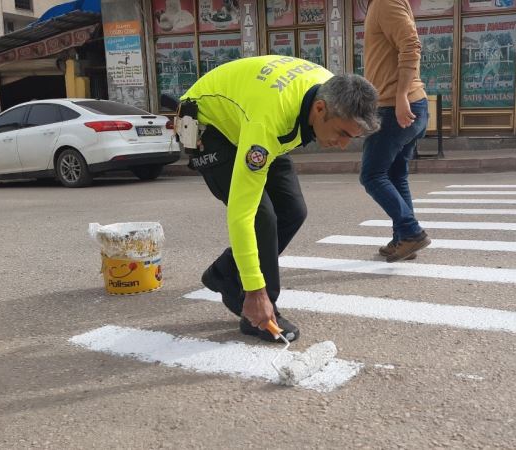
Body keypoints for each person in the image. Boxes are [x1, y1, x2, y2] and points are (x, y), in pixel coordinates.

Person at [179, 55, 379, 342]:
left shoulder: (327, 90)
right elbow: (241, 214)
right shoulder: (267, 124)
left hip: (250, 115)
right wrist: (256, 290)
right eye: (341, 133)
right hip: (209, 125)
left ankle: (223, 274)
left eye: (353, 138)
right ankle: (259, 312)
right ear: (320, 108)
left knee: (293, 210)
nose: (344, 144)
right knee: (262, 217)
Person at [360, 0, 431, 262]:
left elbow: (411, 45)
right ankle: (403, 239)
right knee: (396, 174)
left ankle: (411, 232)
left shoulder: (385, 2)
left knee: (372, 175)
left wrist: (401, 95)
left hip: (395, 107)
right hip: (401, 104)